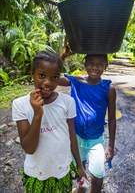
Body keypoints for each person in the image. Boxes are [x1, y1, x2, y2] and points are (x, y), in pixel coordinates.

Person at [12, 50, 86, 193]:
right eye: (41, 75)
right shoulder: (20, 104)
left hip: (62, 170)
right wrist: (38, 114)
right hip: (37, 173)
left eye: (54, 77)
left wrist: (79, 165)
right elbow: (29, 148)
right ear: (32, 73)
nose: (48, 82)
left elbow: (72, 136)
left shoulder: (68, 102)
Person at [59, 46, 116, 193]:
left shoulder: (108, 89)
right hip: (76, 138)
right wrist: (63, 56)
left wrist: (110, 145)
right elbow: (52, 77)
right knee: (80, 167)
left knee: (97, 175)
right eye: (90, 63)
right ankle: (81, 189)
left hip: (96, 140)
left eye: (99, 64)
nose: (94, 67)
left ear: (105, 66)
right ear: (84, 64)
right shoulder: (77, 82)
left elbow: (111, 119)